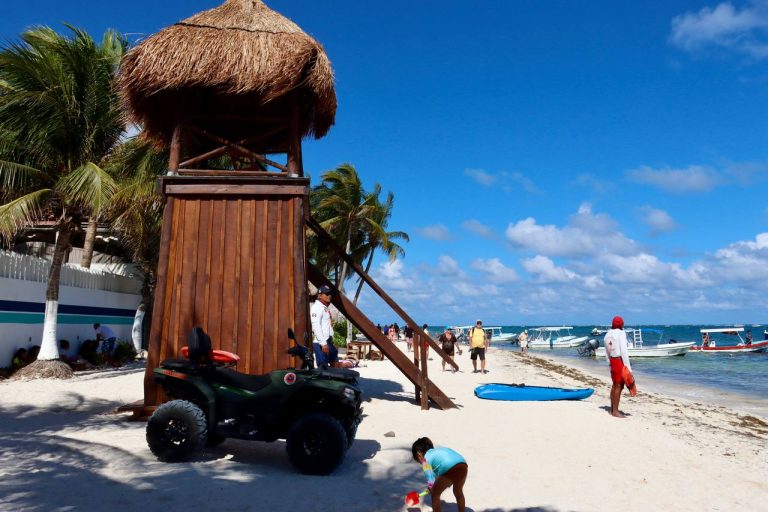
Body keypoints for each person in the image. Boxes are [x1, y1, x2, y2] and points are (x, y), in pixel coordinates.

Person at [411, 437, 468, 512]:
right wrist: (432, 486)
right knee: (458, 491)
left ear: (419, 455)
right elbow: (436, 477)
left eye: (418, 460)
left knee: (435, 494)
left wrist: (431, 487)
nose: (420, 463)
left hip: (449, 468)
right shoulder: (438, 451)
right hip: (463, 465)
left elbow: (430, 478)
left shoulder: (426, 459)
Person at [604, 315, 632, 418]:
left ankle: (612, 409)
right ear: (621, 324)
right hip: (619, 361)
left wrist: (609, 362)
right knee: (619, 386)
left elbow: (606, 351)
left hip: (612, 361)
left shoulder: (607, 334)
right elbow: (624, 351)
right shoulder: (621, 333)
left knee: (614, 385)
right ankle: (615, 411)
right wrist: (628, 368)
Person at [310, 285, 338, 368]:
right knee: (323, 369)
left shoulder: (324, 307)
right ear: (319, 295)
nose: (329, 295)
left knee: (335, 366)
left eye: (330, 293)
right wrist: (323, 343)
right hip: (321, 343)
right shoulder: (316, 307)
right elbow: (316, 326)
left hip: (328, 341)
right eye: (326, 294)